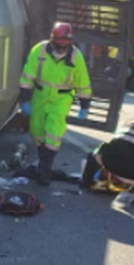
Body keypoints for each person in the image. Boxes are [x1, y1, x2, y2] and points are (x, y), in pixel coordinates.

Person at [19, 22, 92, 186]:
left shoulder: (76, 57)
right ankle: (43, 163)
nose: (62, 48)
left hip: (61, 99)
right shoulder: (39, 50)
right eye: (59, 45)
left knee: (53, 132)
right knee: (36, 131)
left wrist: (84, 105)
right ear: (52, 40)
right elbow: (28, 75)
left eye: (65, 45)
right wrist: (24, 98)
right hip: (40, 95)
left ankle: (44, 170)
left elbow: (83, 82)